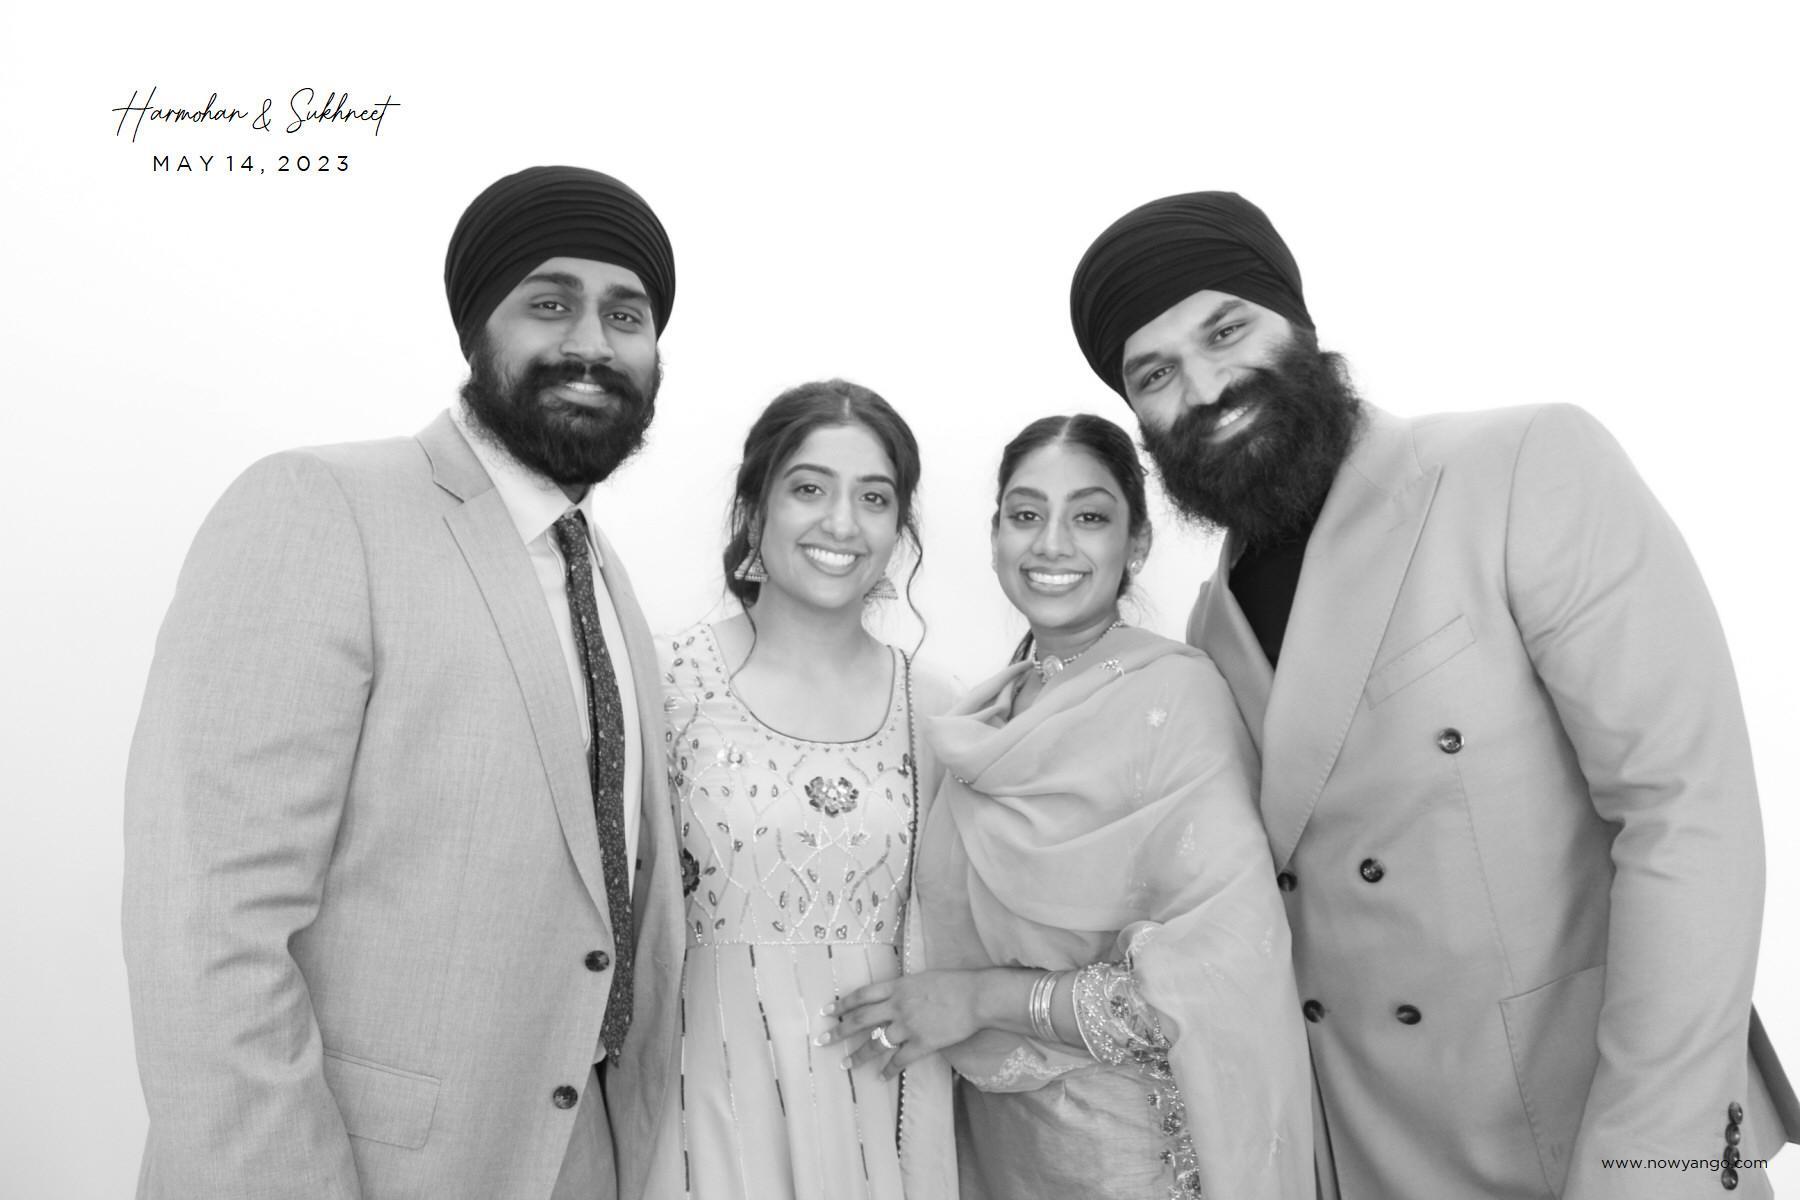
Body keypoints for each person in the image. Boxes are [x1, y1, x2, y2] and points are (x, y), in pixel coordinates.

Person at [1067, 190, 1799, 1198]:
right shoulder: (1207, 632)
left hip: (1589, 1139)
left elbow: (1689, 819)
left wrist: (1652, 1165)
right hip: (1373, 1158)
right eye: (1155, 373)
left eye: (1226, 330)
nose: (1206, 386)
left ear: (1299, 324)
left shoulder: (1521, 466)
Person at [123, 165, 687, 1200]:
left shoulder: (604, 576)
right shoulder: (323, 506)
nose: (593, 343)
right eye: (550, 303)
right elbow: (207, 920)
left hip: (582, 1157)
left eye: (627, 314)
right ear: (478, 328)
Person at [828, 414, 1312, 1199]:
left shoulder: (1175, 697)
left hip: (1129, 1157)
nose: (1051, 544)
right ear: (996, 537)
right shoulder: (987, 713)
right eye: (1026, 515)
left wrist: (979, 997)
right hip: (995, 1150)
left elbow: (1216, 977)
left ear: (1137, 543)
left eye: (1088, 517)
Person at [652, 379, 958, 1199]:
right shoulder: (665, 682)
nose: (842, 523)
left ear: (899, 529)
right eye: (810, 489)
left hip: (879, 1111)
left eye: (874, 498)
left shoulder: (939, 709)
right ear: (755, 508)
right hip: (703, 1101)